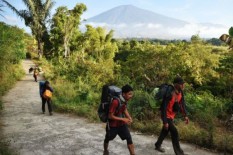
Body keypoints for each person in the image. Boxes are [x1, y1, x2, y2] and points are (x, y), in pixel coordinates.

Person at [154, 76, 189, 155]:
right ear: (176, 84)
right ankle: (179, 153)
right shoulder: (169, 93)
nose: (183, 86)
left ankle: (157, 145)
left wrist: (185, 115)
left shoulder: (180, 93)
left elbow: (182, 104)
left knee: (165, 131)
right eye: (181, 84)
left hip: (172, 116)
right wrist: (165, 121)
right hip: (166, 116)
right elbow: (163, 107)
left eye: (183, 84)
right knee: (174, 132)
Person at [103, 84, 135, 155]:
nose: (131, 96)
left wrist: (129, 117)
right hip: (113, 126)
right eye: (129, 94)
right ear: (123, 94)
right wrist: (123, 119)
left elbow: (124, 109)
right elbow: (110, 116)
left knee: (129, 138)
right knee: (108, 138)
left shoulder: (124, 101)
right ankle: (105, 150)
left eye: (131, 94)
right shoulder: (115, 102)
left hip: (121, 125)